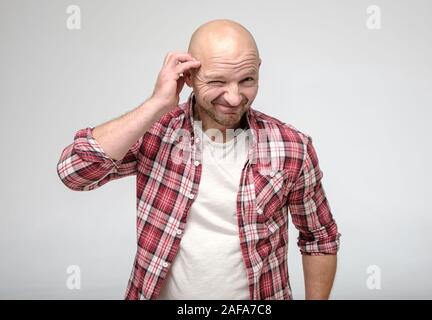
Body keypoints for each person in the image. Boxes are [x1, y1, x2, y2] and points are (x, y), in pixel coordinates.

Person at [57, 19, 341, 300]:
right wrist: (156, 104)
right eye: (217, 81)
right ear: (189, 77)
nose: (233, 97)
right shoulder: (156, 132)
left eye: (247, 80)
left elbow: (320, 238)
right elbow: (75, 172)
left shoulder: (291, 146)